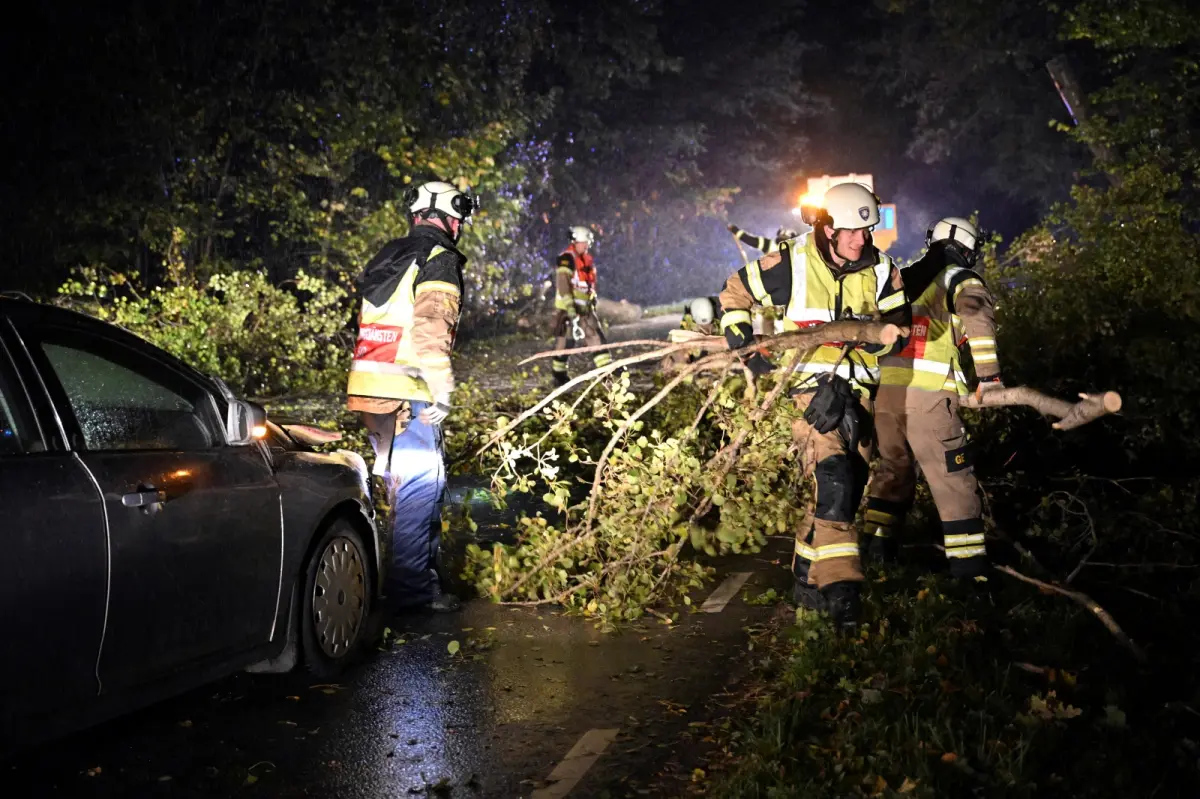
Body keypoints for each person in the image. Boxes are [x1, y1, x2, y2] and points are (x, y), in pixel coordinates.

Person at [717, 182, 909, 631]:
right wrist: (745, 346)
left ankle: (805, 582)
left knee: (841, 496)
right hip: (811, 395)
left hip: (860, 396)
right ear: (828, 229)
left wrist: (877, 342)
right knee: (835, 480)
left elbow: (899, 328)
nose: (862, 240)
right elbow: (734, 292)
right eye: (852, 232)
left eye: (867, 231)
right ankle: (843, 595)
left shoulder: (883, 270)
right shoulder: (793, 262)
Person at [346, 179, 479, 613]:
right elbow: (431, 331)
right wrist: (441, 390)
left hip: (371, 390)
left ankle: (395, 581)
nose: (459, 227)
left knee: (398, 492)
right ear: (449, 217)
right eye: (458, 219)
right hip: (409, 392)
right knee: (421, 488)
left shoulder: (388, 256)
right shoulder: (438, 259)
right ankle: (412, 594)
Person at [864, 217, 1001, 584]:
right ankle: (970, 576)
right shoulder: (959, 278)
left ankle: (876, 557)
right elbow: (976, 315)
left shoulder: (903, 279)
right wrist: (989, 378)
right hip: (929, 397)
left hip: (886, 396)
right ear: (968, 249)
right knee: (953, 482)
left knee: (893, 473)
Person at [551, 226, 610, 386]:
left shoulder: (586, 259)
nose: (588, 245)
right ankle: (558, 374)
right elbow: (563, 284)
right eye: (585, 242)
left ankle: (606, 371)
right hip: (566, 309)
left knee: (596, 335)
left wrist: (592, 299)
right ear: (577, 241)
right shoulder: (567, 258)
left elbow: (586, 284)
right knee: (565, 342)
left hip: (584, 308)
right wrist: (570, 309)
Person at [727, 223, 800, 254]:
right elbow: (749, 240)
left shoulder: (769, 244)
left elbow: (749, 240)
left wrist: (734, 230)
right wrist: (735, 230)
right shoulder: (768, 244)